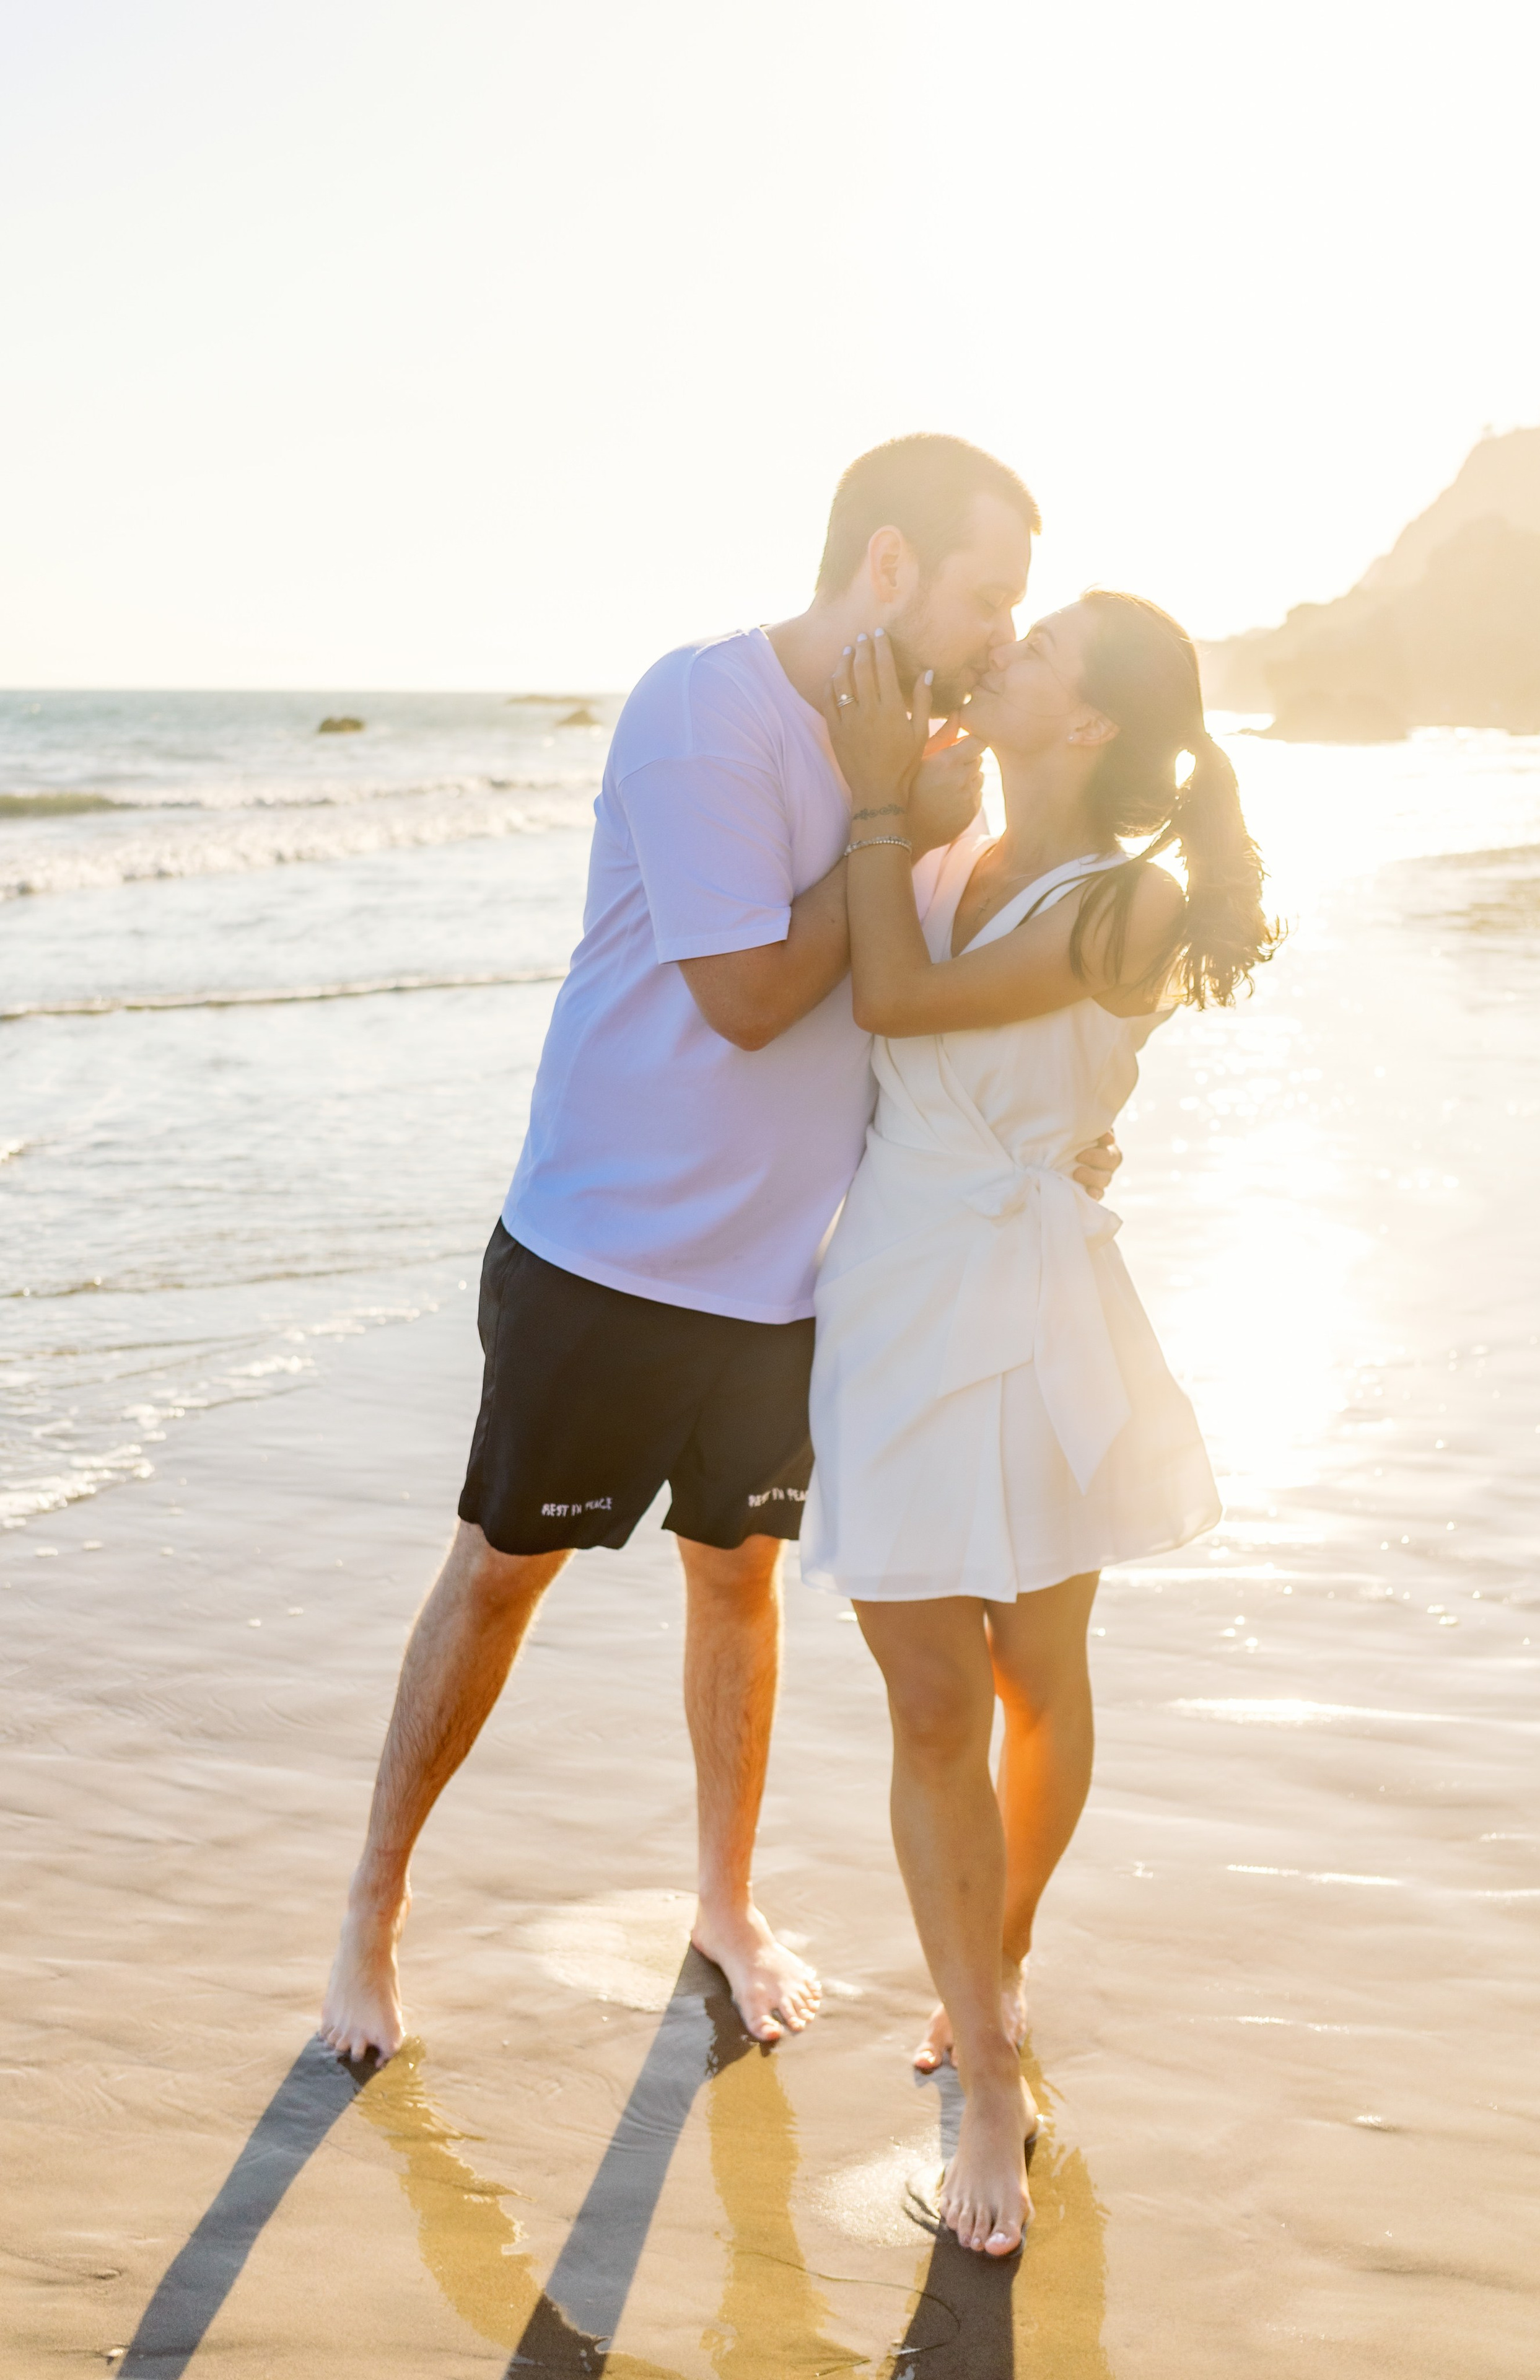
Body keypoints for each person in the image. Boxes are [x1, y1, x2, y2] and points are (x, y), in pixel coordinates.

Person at [318, 436, 1127, 2065]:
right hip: (603, 1252)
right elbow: (750, 995)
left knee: (737, 1585)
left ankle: (723, 1903)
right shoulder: (709, 712)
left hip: (787, 1281)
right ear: (887, 566)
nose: (995, 630)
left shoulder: (938, 758)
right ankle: (368, 1918)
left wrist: (1071, 1122)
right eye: (986, 593)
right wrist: (890, 815)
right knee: (499, 1575)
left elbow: (956, 978)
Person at [803, 593, 1278, 2255]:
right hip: (892, 1293)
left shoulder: (1128, 893)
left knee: (1035, 1669)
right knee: (931, 1691)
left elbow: (900, 1005)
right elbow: (843, 1010)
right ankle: (991, 2058)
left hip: (1039, 1298)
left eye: (1046, 646)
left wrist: (875, 804)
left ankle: (995, 1957)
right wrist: (887, 812)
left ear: (1085, 726)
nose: (1006, 649)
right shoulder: (937, 852)